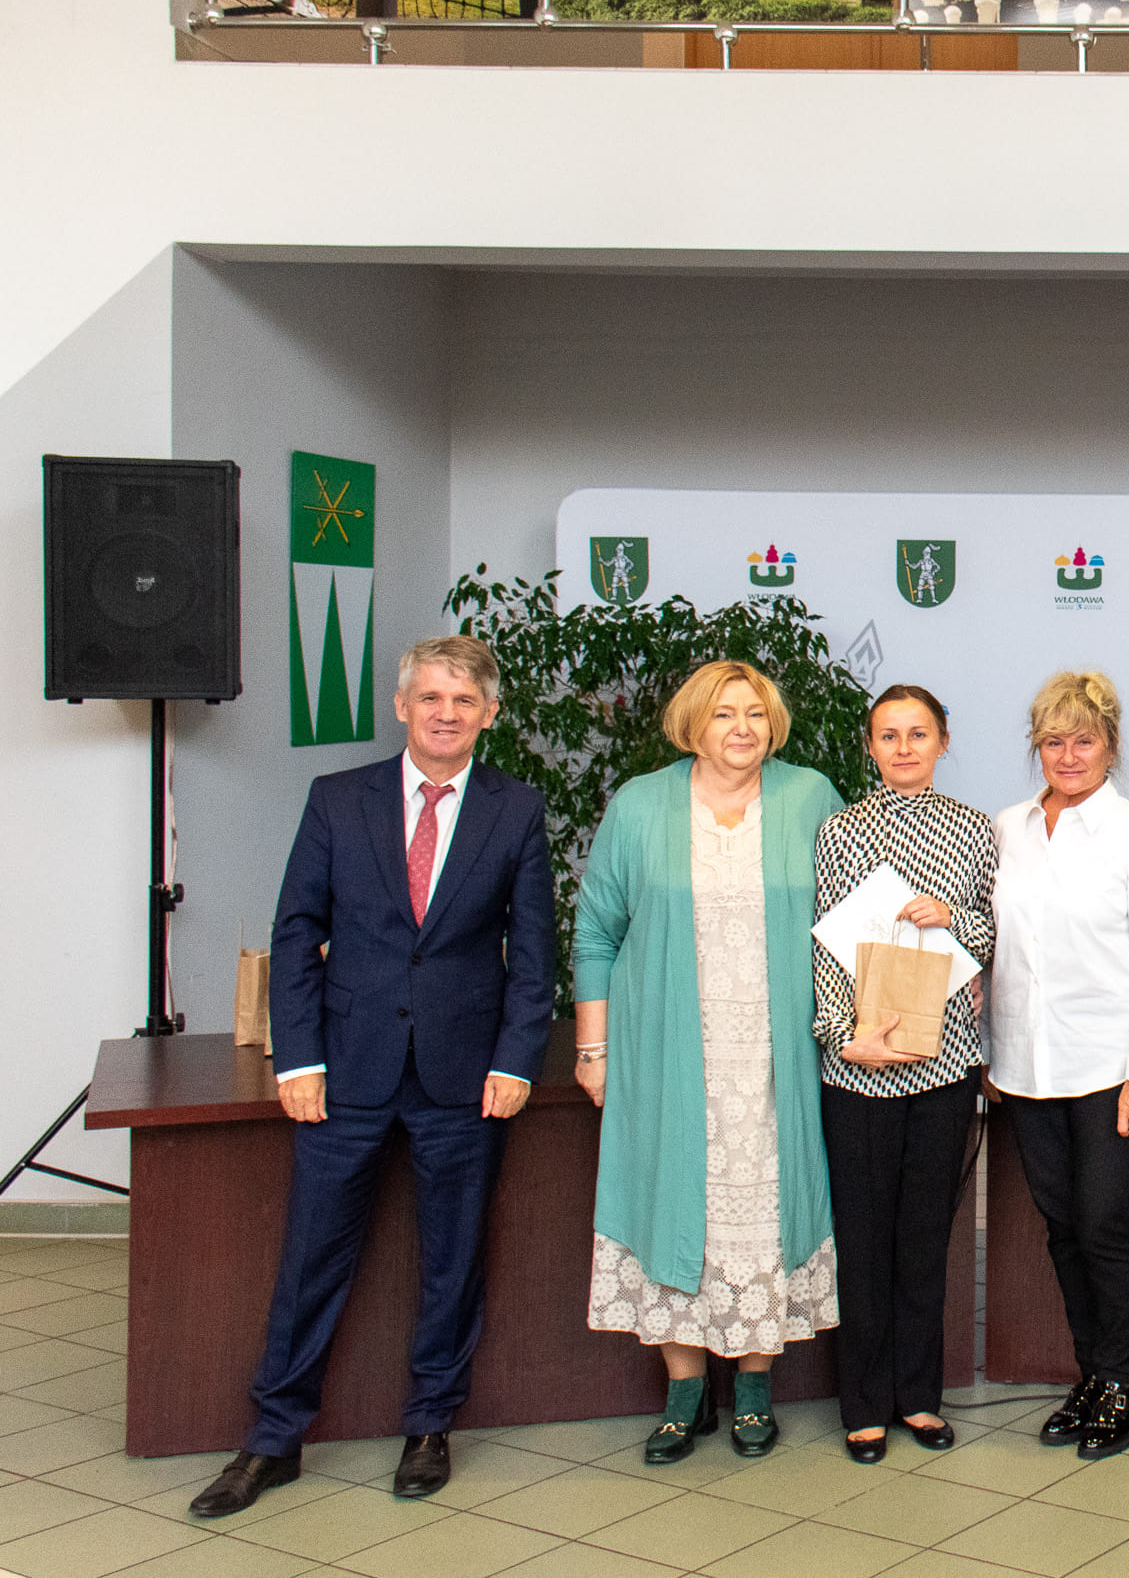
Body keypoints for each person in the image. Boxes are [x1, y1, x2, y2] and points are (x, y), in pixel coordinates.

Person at [190, 636, 554, 1517]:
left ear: (489, 714)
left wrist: (516, 1058)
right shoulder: (337, 798)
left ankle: (429, 1426)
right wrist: (299, 1057)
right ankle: (272, 1438)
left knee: (452, 1260)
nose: (445, 713)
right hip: (345, 1072)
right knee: (311, 1257)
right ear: (401, 706)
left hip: (464, 1077)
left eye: (463, 701)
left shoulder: (515, 808)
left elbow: (536, 950)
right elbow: (295, 932)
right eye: (430, 697)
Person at [573, 661, 843, 1464]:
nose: (742, 728)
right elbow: (595, 933)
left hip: (775, 1058)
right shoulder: (641, 803)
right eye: (724, 713)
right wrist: (593, 1048)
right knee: (672, 1203)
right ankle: (684, 1392)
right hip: (666, 1055)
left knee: (762, 1212)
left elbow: (853, 919)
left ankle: (755, 1384)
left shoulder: (810, 796)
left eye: (755, 713)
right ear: (694, 723)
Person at [988, 670, 1129, 1461]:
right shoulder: (1007, 827)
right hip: (1026, 1065)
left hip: (1111, 1067)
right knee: (1065, 1227)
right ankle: (1093, 1375)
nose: (1067, 755)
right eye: (1052, 740)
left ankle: (1125, 1382)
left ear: (1111, 744)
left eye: (1084, 739)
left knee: (1109, 1225)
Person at [812, 685, 996, 1464]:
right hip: (858, 1069)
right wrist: (842, 1033)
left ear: (943, 740)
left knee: (924, 1240)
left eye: (918, 733)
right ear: (870, 746)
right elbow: (823, 939)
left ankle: (918, 1397)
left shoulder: (976, 828)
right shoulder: (840, 830)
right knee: (862, 1240)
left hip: (943, 1062)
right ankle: (863, 1404)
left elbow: (998, 927)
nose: (903, 748)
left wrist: (955, 918)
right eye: (888, 735)